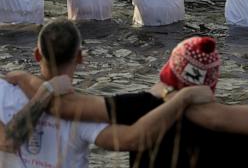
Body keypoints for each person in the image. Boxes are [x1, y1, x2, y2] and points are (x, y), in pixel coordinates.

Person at [5, 37, 248, 168]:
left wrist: (34, 81)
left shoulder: (143, 104)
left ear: (168, 75)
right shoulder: (234, 130)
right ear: (213, 84)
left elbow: (65, 107)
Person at [0, 20, 213, 167]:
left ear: (37, 54)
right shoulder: (82, 113)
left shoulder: (4, 91)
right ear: (81, 57)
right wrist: (183, 98)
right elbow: (133, 139)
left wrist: (32, 83)